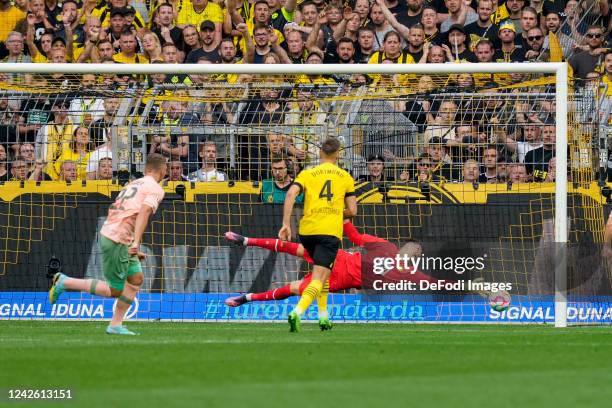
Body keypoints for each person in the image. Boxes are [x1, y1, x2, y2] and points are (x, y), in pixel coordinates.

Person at [48, 153, 167, 335]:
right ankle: (65, 282)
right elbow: (143, 212)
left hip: (118, 236)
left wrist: (132, 245)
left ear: (146, 169)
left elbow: (126, 212)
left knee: (135, 280)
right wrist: (135, 242)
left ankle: (115, 325)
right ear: (163, 170)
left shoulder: (133, 184)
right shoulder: (156, 188)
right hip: (117, 239)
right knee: (114, 290)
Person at [278, 137, 357, 332]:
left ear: (321, 153)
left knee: (324, 274)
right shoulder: (345, 176)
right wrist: (336, 212)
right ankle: (297, 312)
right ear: (338, 154)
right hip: (328, 231)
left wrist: (286, 224)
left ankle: (323, 317)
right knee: (319, 278)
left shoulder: (308, 173)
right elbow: (353, 211)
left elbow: (290, 195)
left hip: (307, 231)